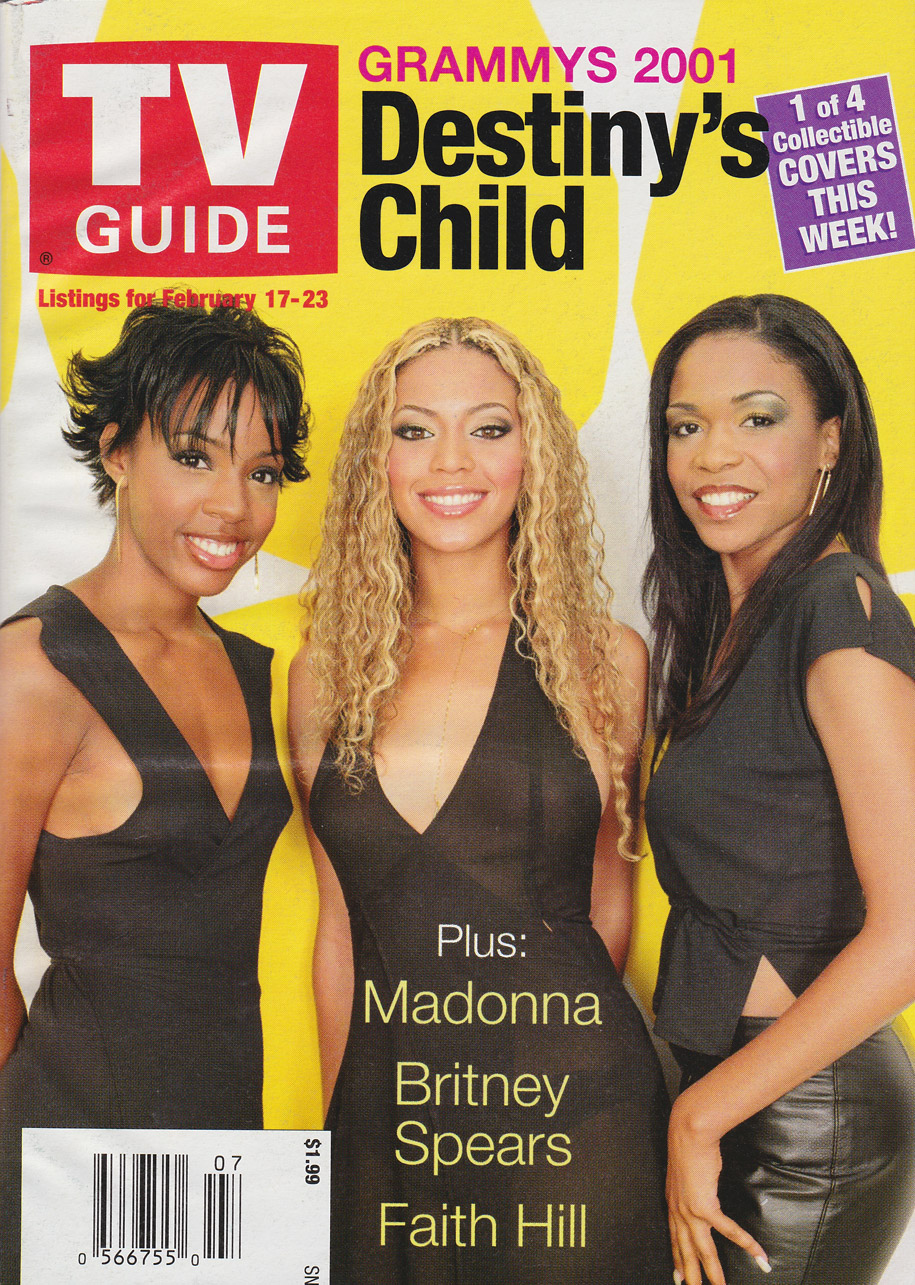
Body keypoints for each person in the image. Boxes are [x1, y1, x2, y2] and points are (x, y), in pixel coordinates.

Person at [289, 317, 673, 1284]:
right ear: (374, 461)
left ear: (531, 453)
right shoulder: (323, 672)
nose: (450, 460)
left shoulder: (604, 657)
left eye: (488, 428)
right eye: (414, 430)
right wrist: (345, 1131)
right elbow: (340, 927)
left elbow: (606, 902)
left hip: (572, 1117)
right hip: (388, 1117)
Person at [0, 300, 310, 1279]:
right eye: (193, 456)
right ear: (117, 451)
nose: (233, 505)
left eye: (262, 471)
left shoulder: (261, 670)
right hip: (68, 1150)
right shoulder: (33, 671)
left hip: (230, 1155)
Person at [642, 293, 915, 1285]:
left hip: (804, 1119)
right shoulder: (739, 619)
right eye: (686, 427)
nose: (713, 456)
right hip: (732, 1089)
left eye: (757, 418)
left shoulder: (839, 608)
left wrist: (700, 1115)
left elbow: (911, 927)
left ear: (830, 441)